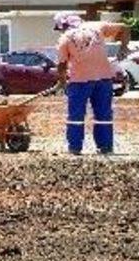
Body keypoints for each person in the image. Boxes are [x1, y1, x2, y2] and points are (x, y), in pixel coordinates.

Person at [53, 11, 129, 155]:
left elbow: (62, 65)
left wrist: (62, 82)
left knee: (76, 116)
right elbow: (125, 28)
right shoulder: (96, 26)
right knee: (103, 115)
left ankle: (75, 148)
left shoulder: (65, 39)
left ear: (64, 25)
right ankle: (105, 147)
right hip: (103, 79)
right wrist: (124, 47)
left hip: (79, 81)